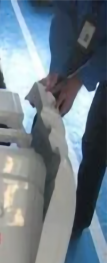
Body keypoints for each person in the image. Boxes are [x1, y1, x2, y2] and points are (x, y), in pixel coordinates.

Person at [40, 0, 106, 237]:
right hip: (92, 20)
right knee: (52, 98)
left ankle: (78, 218)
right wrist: (58, 67)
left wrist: (79, 79)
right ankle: (34, 185)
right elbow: (64, 11)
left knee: (99, 139)